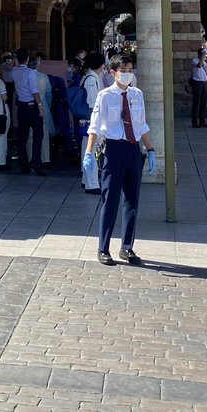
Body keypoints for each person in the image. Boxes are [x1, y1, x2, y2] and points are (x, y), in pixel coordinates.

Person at [88, 55, 154, 266]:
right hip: (113, 149)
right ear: (113, 72)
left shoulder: (137, 94)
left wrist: (150, 149)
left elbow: (141, 124)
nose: (127, 74)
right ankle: (103, 248)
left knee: (132, 201)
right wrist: (88, 153)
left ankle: (127, 247)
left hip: (132, 148)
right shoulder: (105, 96)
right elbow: (95, 126)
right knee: (110, 200)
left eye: (130, 70)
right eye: (123, 70)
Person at [11, 48, 47, 176]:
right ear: (27, 59)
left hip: (21, 107)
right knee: (38, 134)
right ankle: (35, 161)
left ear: (17, 59)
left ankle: (23, 164)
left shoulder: (14, 72)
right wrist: (40, 105)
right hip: (32, 106)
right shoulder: (30, 72)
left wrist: (14, 62)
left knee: (22, 137)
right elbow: (34, 91)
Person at [189, 47, 207, 128]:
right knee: (196, 102)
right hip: (197, 82)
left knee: (203, 102)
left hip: (204, 82)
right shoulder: (194, 60)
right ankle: (194, 122)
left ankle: (202, 121)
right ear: (199, 54)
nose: (204, 56)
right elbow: (199, 65)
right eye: (202, 54)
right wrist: (202, 57)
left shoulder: (204, 62)